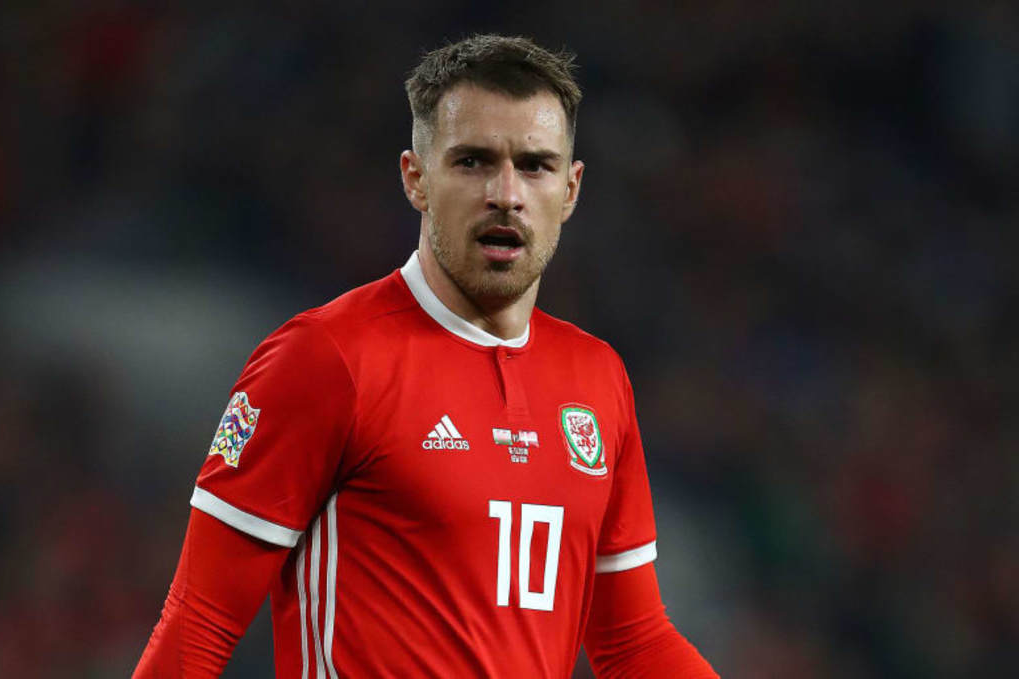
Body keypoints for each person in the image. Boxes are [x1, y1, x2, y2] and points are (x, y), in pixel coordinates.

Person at [134, 34, 718, 678]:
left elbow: (634, 642)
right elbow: (199, 622)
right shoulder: (326, 357)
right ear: (416, 178)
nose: (506, 193)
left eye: (535, 165)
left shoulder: (597, 377)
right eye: (473, 161)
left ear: (571, 189)